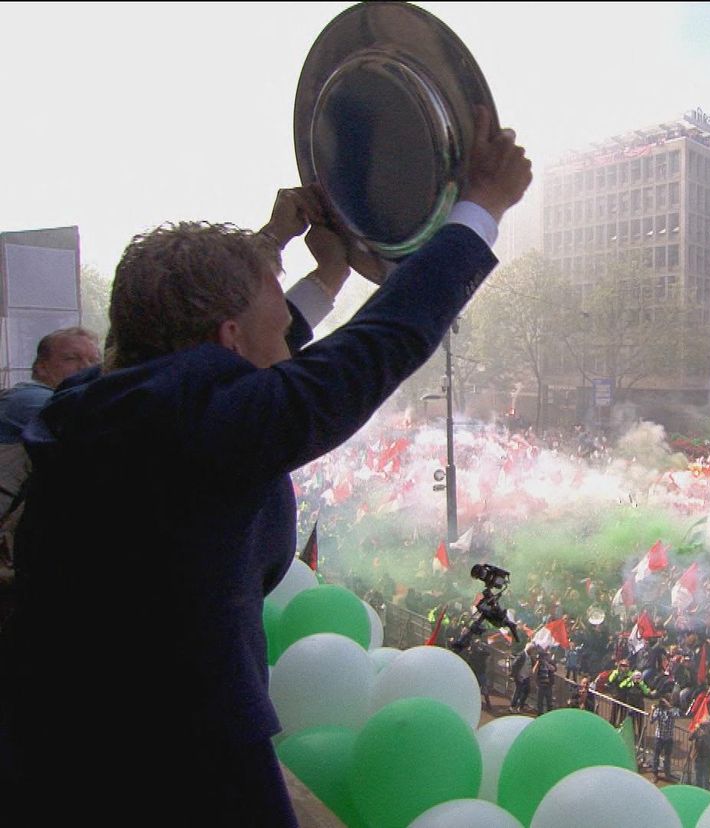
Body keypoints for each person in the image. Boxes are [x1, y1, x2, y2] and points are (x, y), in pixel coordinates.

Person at [0, 105, 531, 825]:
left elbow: (204, 356)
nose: (292, 345)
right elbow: (380, 343)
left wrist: (289, 259)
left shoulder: (101, 405)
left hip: (58, 751)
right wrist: (481, 207)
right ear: (228, 339)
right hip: (176, 771)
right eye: (279, 329)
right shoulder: (200, 436)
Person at [0, 327, 101, 628]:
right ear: (40, 367)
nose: (85, 368)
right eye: (72, 358)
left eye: (93, 359)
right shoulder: (31, 399)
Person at [650, 696, 679, 781]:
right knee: (656, 756)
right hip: (659, 737)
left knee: (667, 757)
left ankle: (667, 774)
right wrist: (652, 710)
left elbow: (677, 715)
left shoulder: (673, 711)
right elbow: (651, 721)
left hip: (669, 738)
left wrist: (669, 706)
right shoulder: (659, 711)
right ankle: (655, 774)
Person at [510, 643, 536, 713]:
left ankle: (520, 706)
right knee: (518, 691)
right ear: (529, 649)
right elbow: (514, 665)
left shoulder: (530, 657)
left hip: (526, 676)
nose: (533, 651)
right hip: (520, 676)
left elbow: (533, 664)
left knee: (526, 691)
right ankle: (513, 706)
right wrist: (515, 675)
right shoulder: (521, 655)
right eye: (532, 650)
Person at [534, 646, 557, 715]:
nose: (545, 657)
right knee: (539, 702)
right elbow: (534, 671)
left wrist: (546, 663)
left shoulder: (551, 662)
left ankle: (549, 715)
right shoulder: (539, 663)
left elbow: (554, 669)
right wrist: (538, 663)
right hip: (541, 685)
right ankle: (539, 715)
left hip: (548, 686)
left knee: (549, 702)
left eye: (547, 655)